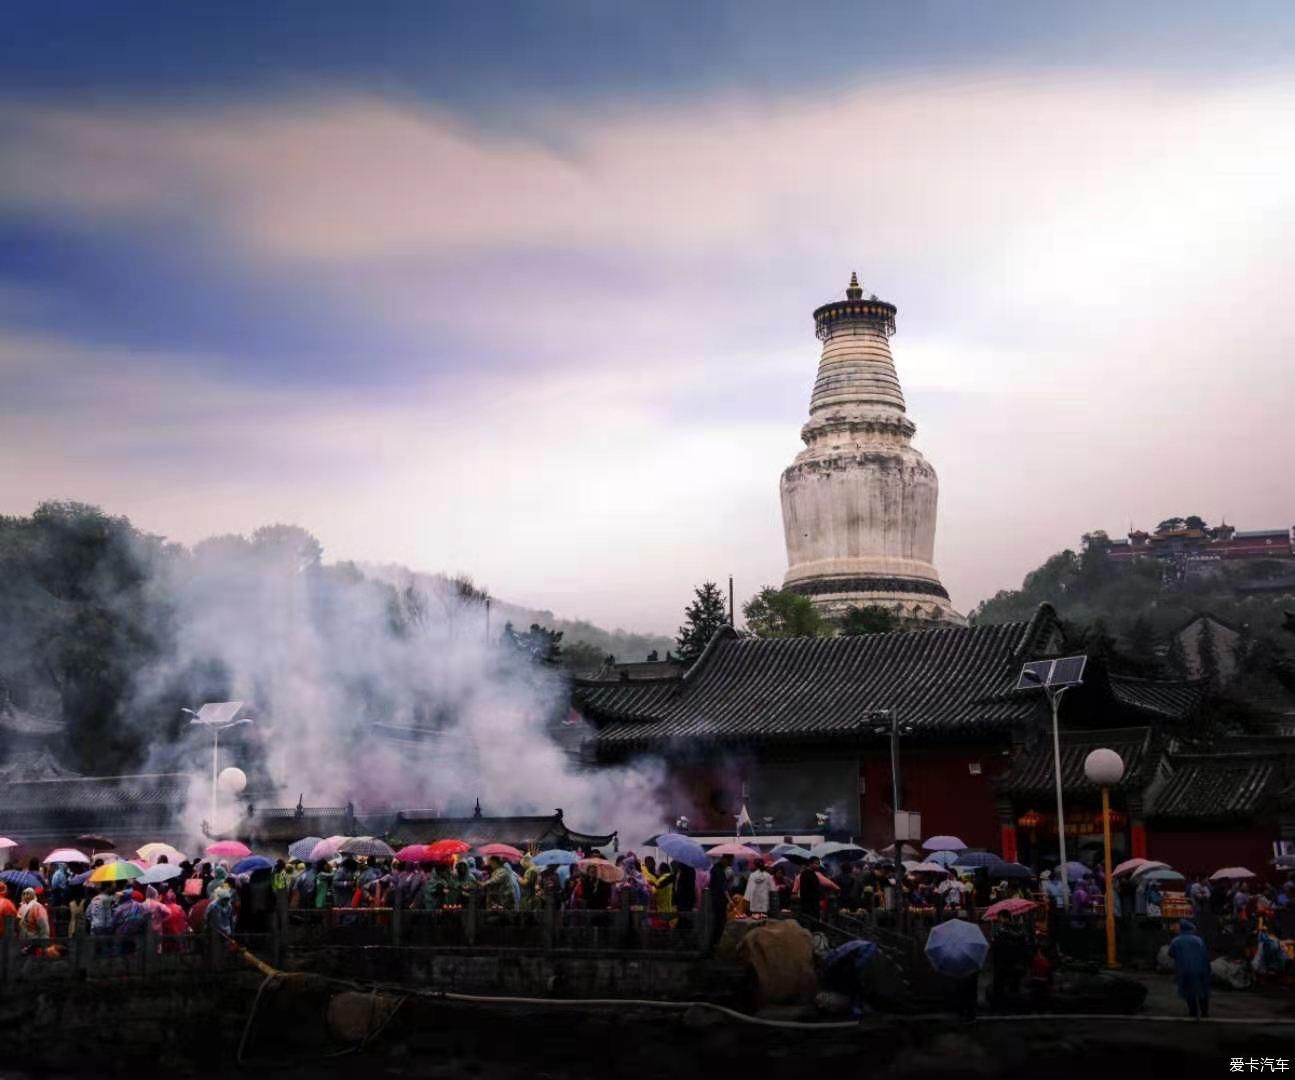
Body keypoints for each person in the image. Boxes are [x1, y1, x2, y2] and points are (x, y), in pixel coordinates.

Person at [1167, 918, 1210, 1018]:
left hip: (1185, 969)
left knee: (1189, 992)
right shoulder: (1199, 940)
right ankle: (1204, 1012)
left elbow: (1170, 953)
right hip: (1201, 969)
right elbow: (1205, 955)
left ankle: (1193, 1012)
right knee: (1202, 991)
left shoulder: (1176, 941)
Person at [708, 855, 733, 947]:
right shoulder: (718, 870)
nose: (732, 862)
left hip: (716, 900)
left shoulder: (717, 869)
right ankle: (715, 944)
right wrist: (730, 900)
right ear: (724, 859)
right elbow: (723, 888)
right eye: (730, 859)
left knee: (717, 923)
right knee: (719, 923)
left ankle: (714, 944)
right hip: (719, 901)